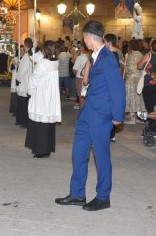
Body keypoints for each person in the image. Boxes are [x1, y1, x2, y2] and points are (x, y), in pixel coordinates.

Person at [55, 20, 125, 211]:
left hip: (101, 114)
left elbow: (118, 88)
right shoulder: (95, 57)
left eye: (83, 38)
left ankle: (103, 197)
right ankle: (77, 193)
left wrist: (117, 117)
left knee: (101, 156)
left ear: (87, 38)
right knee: (79, 152)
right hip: (88, 113)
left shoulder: (108, 58)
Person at [26, 41, 61, 158]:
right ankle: (47, 149)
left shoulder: (42, 65)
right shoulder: (54, 62)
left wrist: (29, 91)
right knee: (48, 125)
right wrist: (34, 46)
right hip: (49, 99)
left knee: (40, 125)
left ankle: (40, 151)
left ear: (44, 51)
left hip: (41, 98)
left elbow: (34, 80)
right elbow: (37, 58)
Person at [137, 39, 156, 133]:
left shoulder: (148, 55)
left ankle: (152, 127)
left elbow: (139, 66)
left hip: (148, 84)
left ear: (151, 47)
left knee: (150, 106)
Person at [124, 39, 145, 123]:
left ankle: (132, 118)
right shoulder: (140, 54)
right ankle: (137, 116)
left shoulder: (132, 55)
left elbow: (130, 68)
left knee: (131, 97)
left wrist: (125, 66)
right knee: (138, 98)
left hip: (131, 79)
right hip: (138, 78)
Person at [15, 38, 34, 127]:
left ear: (25, 45)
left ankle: (24, 121)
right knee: (22, 103)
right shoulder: (32, 55)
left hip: (25, 82)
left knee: (24, 104)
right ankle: (20, 120)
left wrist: (17, 79)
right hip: (28, 81)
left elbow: (22, 71)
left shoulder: (27, 57)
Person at [72, 43, 90, 110]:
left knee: (81, 97)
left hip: (80, 78)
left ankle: (82, 116)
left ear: (83, 47)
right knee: (86, 97)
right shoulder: (91, 56)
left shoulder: (81, 57)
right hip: (89, 78)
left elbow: (74, 70)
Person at [9, 47, 24, 115]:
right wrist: (13, 64)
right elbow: (10, 69)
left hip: (23, 80)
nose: (22, 51)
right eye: (20, 50)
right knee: (15, 96)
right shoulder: (15, 59)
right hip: (15, 78)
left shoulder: (27, 58)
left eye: (23, 50)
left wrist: (19, 65)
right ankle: (14, 110)